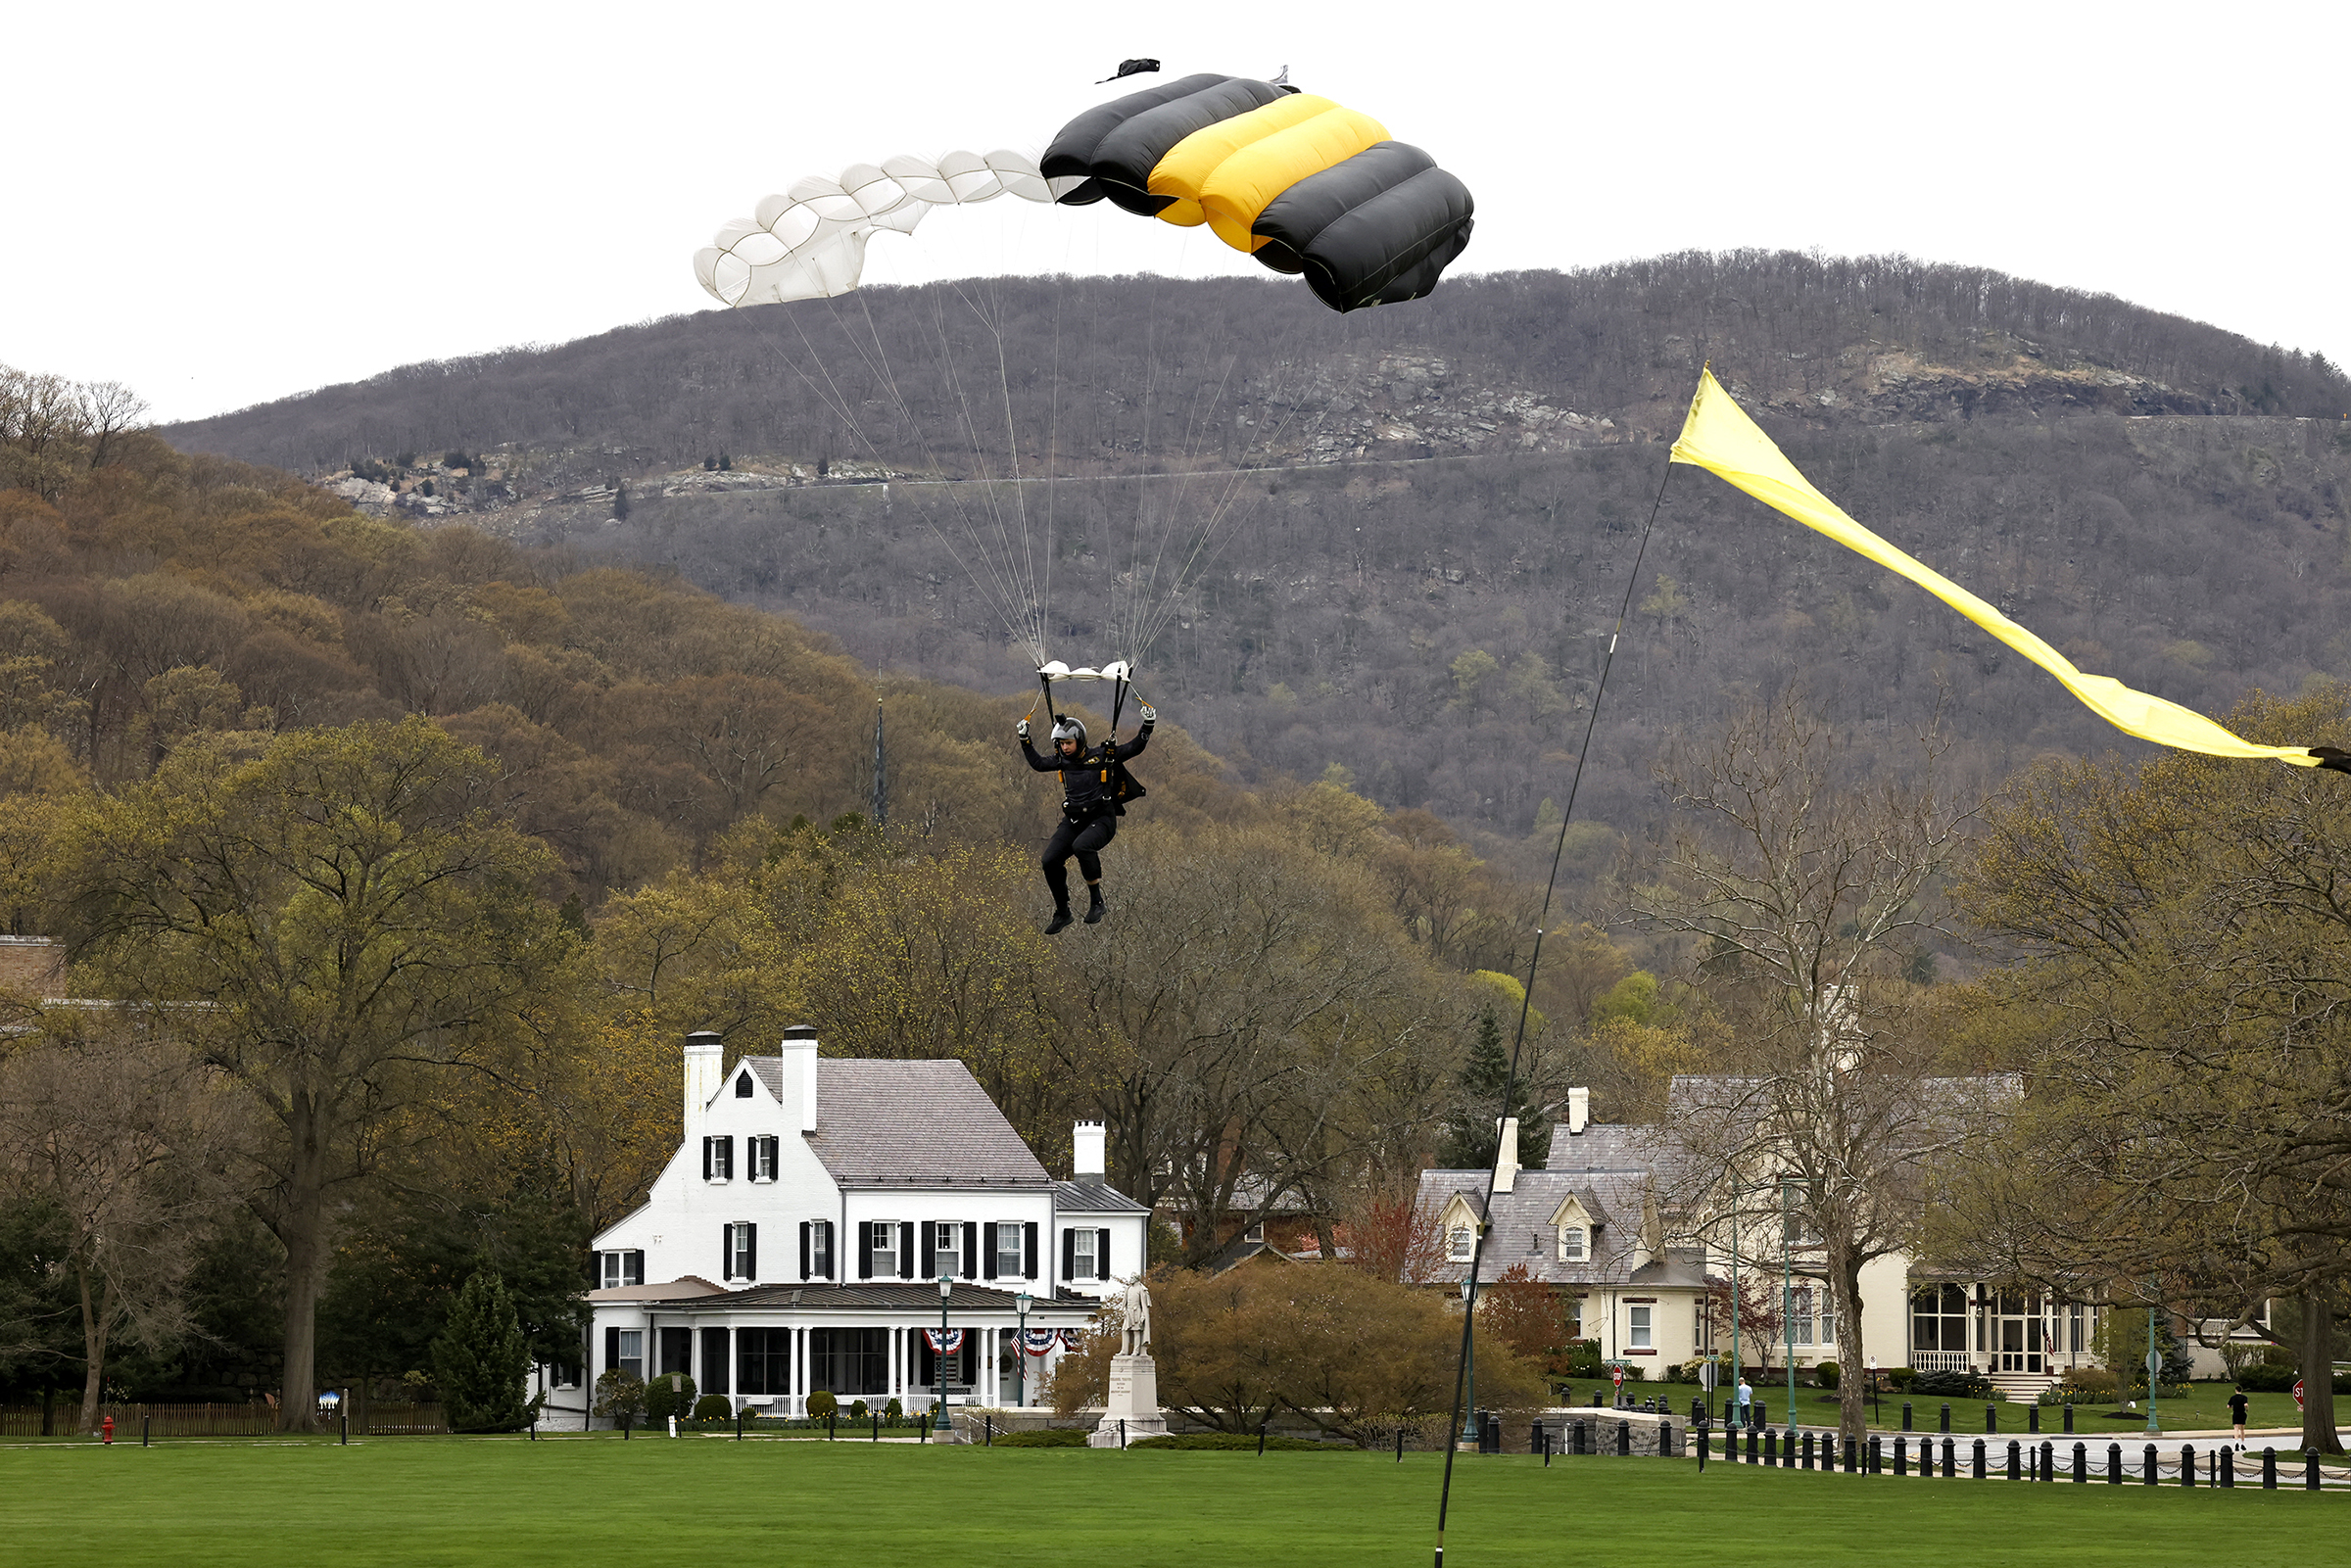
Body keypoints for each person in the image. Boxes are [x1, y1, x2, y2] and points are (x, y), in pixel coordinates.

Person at [1018, 703, 1154, 932]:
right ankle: (1063, 912)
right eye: (1061, 743)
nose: (1065, 748)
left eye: (1068, 743)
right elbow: (1038, 763)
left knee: (1082, 846)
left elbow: (1134, 747)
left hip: (1102, 819)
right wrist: (1025, 740)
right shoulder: (1062, 760)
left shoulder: (1102, 756)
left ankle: (1097, 902)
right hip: (1074, 820)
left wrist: (1148, 725)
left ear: (1079, 741)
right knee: (1049, 860)